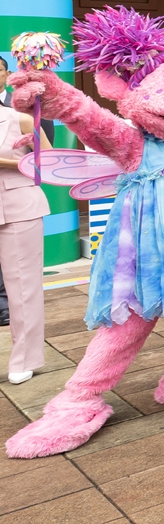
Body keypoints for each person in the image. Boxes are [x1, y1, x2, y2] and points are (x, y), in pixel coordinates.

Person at [0, 72, 45, 383]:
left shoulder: (21, 119)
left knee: (22, 287)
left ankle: (24, 359)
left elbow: (47, 162)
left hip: (17, 205)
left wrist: (5, 162)